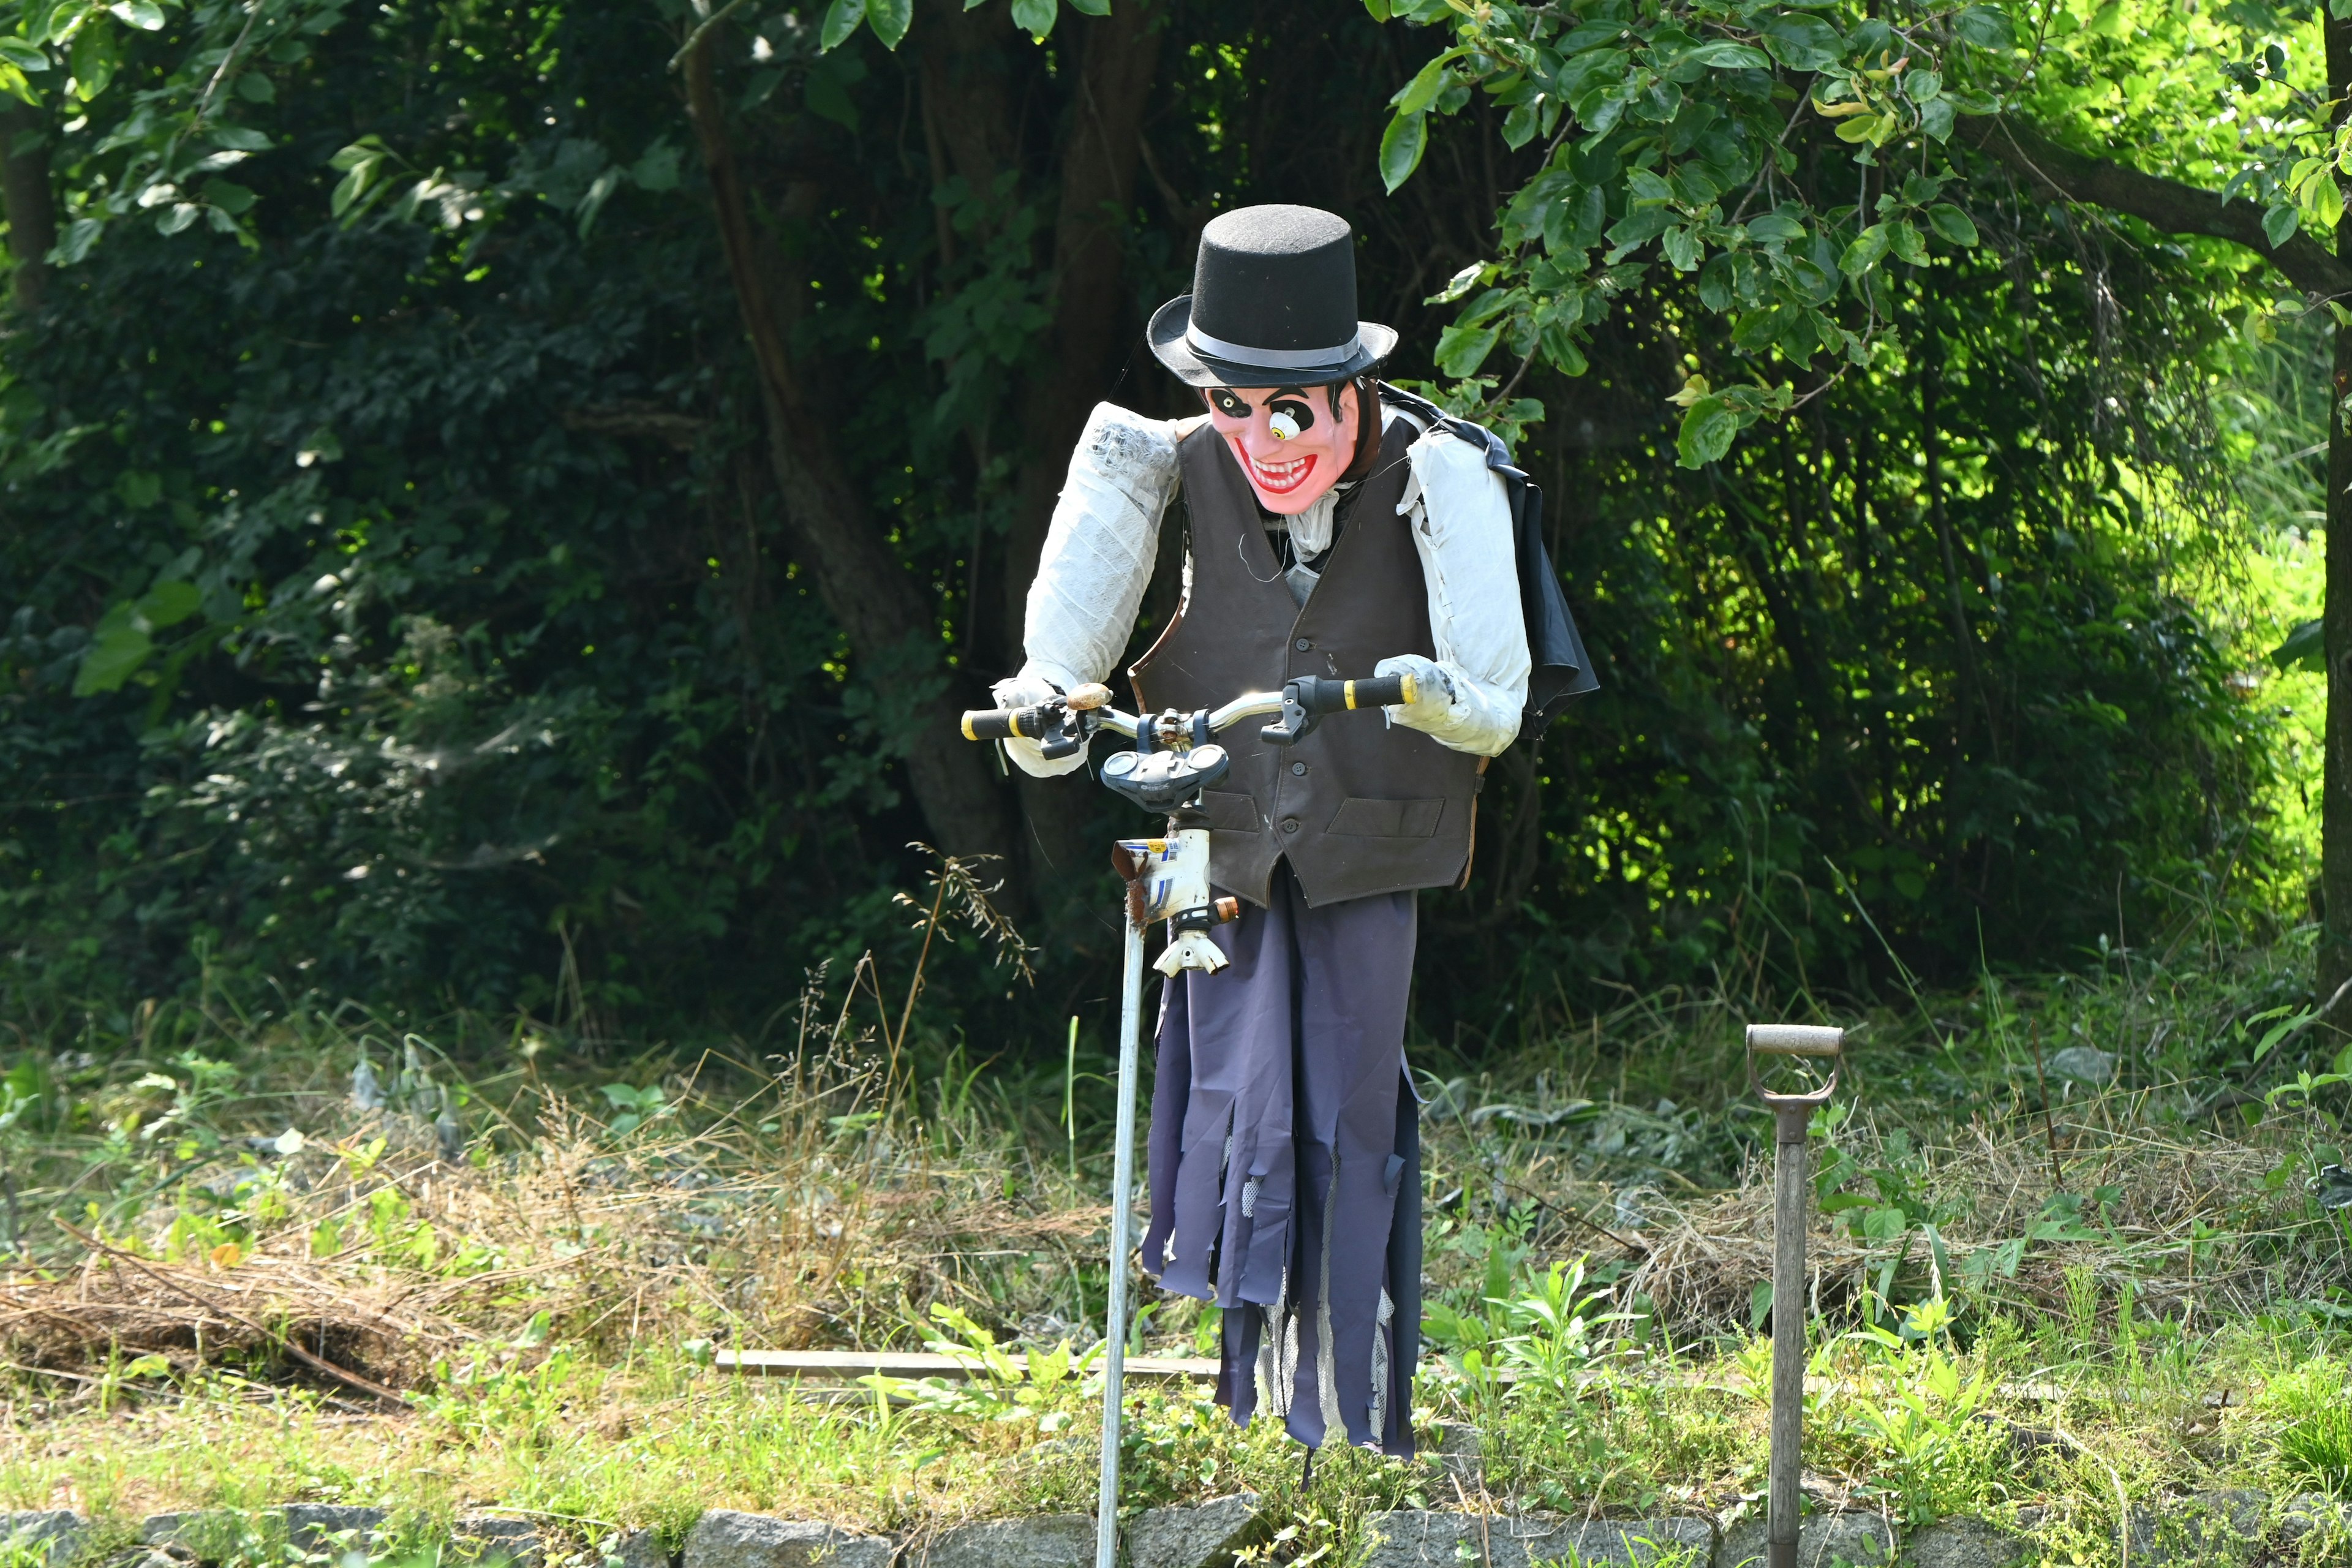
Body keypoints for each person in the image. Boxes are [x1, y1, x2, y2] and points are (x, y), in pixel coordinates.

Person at [993, 205, 1541, 1457]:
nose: (1260, 437)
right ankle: (1247, 1383)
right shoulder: (1158, 459)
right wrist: (1047, 715)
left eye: (1287, 408)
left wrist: (1432, 694)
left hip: (1368, 838)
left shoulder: (1440, 471)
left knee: (1347, 1109)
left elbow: (1493, 699)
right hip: (1218, 832)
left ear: (1351, 388)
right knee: (1230, 1102)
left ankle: (1348, 1398)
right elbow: (1053, 678)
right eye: (1233, 405)